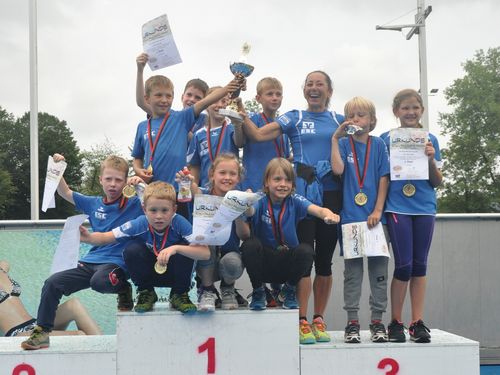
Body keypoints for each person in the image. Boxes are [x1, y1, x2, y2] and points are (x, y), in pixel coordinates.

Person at [241, 71, 344, 344]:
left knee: (325, 262)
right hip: (302, 194)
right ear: (303, 90)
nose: (314, 88)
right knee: (305, 257)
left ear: (329, 90)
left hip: (332, 195)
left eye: (319, 84)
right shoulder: (294, 116)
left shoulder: (339, 121)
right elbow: (259, 134)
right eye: (309, 84)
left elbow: (365, 139)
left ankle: (318, 318)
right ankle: (300, 318)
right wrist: (239, 108)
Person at [21, 154, 142, 350]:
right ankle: (42, 332)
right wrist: (58, 168)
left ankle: (122, 288)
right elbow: (64, 192)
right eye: (108, 179)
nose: (113, 184)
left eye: (119, 180)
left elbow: (155, 203)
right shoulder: (93, 203)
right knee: (52, 283)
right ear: (100, 179)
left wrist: (140, 186)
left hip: (116, 264)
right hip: (91, 261)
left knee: (100, 282)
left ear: (125, 181)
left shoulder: (135, 204)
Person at [239, 158, 339, 344]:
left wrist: (328, 215)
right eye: (277, 179)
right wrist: (246, 203)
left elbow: (318, 209)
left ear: (293, 184)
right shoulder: (260, 199)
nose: (282, 184)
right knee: (249, 245)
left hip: (286, 266)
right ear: (267, 182)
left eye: (287, 180)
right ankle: (259, 290)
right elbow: (251, 211)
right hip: (265, 263)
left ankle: (289, 291)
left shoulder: (296, 200)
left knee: (306, 251)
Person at [79, 181, 210, 315]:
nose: (159, 216)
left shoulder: (180, 223)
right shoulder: (140, 223)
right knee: (132, 250)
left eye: (165, 210)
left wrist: (175, 248)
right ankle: (146, 292)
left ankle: (179, 294)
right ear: (144, 209)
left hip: (175, 275)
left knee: (186, 249)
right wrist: (87, 238)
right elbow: (106, 237)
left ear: (174, 210)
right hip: (150, 275)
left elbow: (205, 253)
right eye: (153, 210)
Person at [131, 73, 243, 219]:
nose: (164, 100)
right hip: (151, 190)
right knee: (153, 229)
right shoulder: (142, 126)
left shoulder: (181, 118)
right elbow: (137, 157)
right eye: (159, 95)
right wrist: (138, 169)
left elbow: (207, 102)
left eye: (168, 96)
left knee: (182, 230)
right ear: (148, 98)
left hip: (178, 190)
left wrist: (231, 86)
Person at [380, 89, 443, 343]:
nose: (410, 112)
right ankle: (396, 322)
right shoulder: (385, 139)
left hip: (425, 207)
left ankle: (417, 322)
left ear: (422, 111)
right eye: (405, 108)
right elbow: (381, 176)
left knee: (420, 265)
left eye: (415, 108)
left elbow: (437, 181)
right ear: (396, 112)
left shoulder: (431, 140)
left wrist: (429, 159)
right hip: (397, 208)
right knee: (403, 265)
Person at [331, 97, 390, 344]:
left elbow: (384, 179)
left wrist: (377, 210)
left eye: (361, 115)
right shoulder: (344, 144)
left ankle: (377, 321)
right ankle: (352, 322)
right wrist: (335, 138)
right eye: (351, 115)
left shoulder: (378, 145)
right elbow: (337, 170)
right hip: (350, 220)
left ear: (372, 120)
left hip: (375, 218)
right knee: (352, 274)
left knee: (379, 272)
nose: (356, 119)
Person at [180, 153, 248, 311]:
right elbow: (195, 191)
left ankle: (228, 289)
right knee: (205, 242)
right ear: (212, 174)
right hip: (204, 262)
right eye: (222, 172)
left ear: (238, 178)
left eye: (232, 174)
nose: (227, 177)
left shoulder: (239, 198)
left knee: (233, 262)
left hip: (228, 260)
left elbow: (245, 235)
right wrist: (188, 182)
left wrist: (238, 213)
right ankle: (207, 290)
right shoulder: (203, 194)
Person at [1, 260, 101, 340]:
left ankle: (107, 352)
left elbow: (5, 263)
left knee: (74, 305)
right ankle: (106, 359)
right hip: (18, 334)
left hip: (36, 324)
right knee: (80, 336)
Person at [235, 77, 290, 192]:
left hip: (278, 186)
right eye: (269, 94)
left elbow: (286, 157)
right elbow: (239, 143)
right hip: (253, 184)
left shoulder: (283, 127)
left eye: (278, 94)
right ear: (258, 98)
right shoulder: (251, 120)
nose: (275, 98)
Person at [135, 52, 209, 138]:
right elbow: (141, 102)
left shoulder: (207, 120)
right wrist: (140, 70)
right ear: (182, 97)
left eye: (198, 98)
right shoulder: (170, 116)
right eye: (189, 95)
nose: (192, 99)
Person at [186, 87, 243, 188]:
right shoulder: (199, 135)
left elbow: (239, 143)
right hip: (206, 190)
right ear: (206, 105)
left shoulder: (232, 127)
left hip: (230, 189)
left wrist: (237, 125)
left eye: (224, 101)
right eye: (215, 101)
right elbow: (195, 166)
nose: (220, 105)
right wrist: (194, 190)